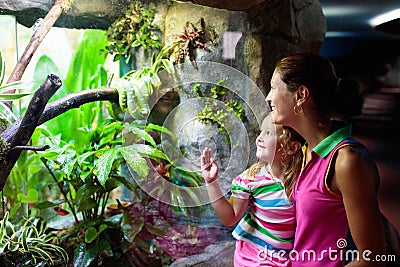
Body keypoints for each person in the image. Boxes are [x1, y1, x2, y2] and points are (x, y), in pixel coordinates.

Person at [265, 52, 386, 267]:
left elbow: (373, 258)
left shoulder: (346, 161)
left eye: (274, 87)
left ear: (301, 95)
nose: (268, 97)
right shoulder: (304, 152)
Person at [201, 114, 304, 266]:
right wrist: (211, 183)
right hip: (253, 258)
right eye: (261, 132)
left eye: (268, 133)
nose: (259, 138)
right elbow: (230, 218)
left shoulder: (304, 178)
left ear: (292, 147)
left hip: (287, 258)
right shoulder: (252, 179)